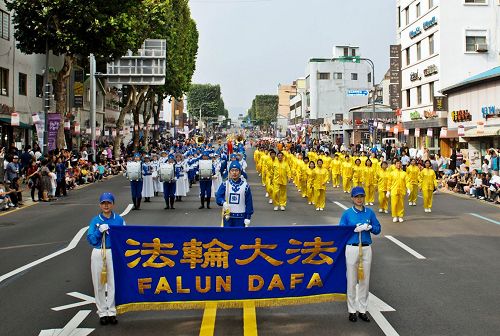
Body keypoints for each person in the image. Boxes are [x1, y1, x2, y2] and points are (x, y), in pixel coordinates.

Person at [338, 186, 381, 323]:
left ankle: (362, 309)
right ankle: (352, 310)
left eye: (361, 196)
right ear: (352, 198)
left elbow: (378, 229)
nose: (359, 199)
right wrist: (353, 229)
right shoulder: (347, 214)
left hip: (366, 248)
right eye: (356, 197)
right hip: (352, 248)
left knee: (364, 281)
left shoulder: (369, 213)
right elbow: (340, 231)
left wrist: (370, 227)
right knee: (351, 280)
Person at [86, 192, 125, 325]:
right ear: (100, 205)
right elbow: (90, 239)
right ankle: (102, 312)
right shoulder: (95, 220)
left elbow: (125, 237)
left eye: (108, 203)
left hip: (113, 253)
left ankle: (112, 311)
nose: (106, 205)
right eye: (103, 203)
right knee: (99, 283)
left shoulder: (119, 220)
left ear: (113, 204)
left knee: (113, 283)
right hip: (99, 252)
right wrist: (99, 231)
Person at [216, 161, 253, 227]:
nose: (234, 172)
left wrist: (248, 217)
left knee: (240, 237)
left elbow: (249, 202)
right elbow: (218, 196)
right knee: (227, 236)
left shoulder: (246, 185)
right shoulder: (225, 184)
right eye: (232, 170)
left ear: (240, 172)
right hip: (228, 217)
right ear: (229, 172)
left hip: (241, 217)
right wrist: (223, 202)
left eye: (236, 170)